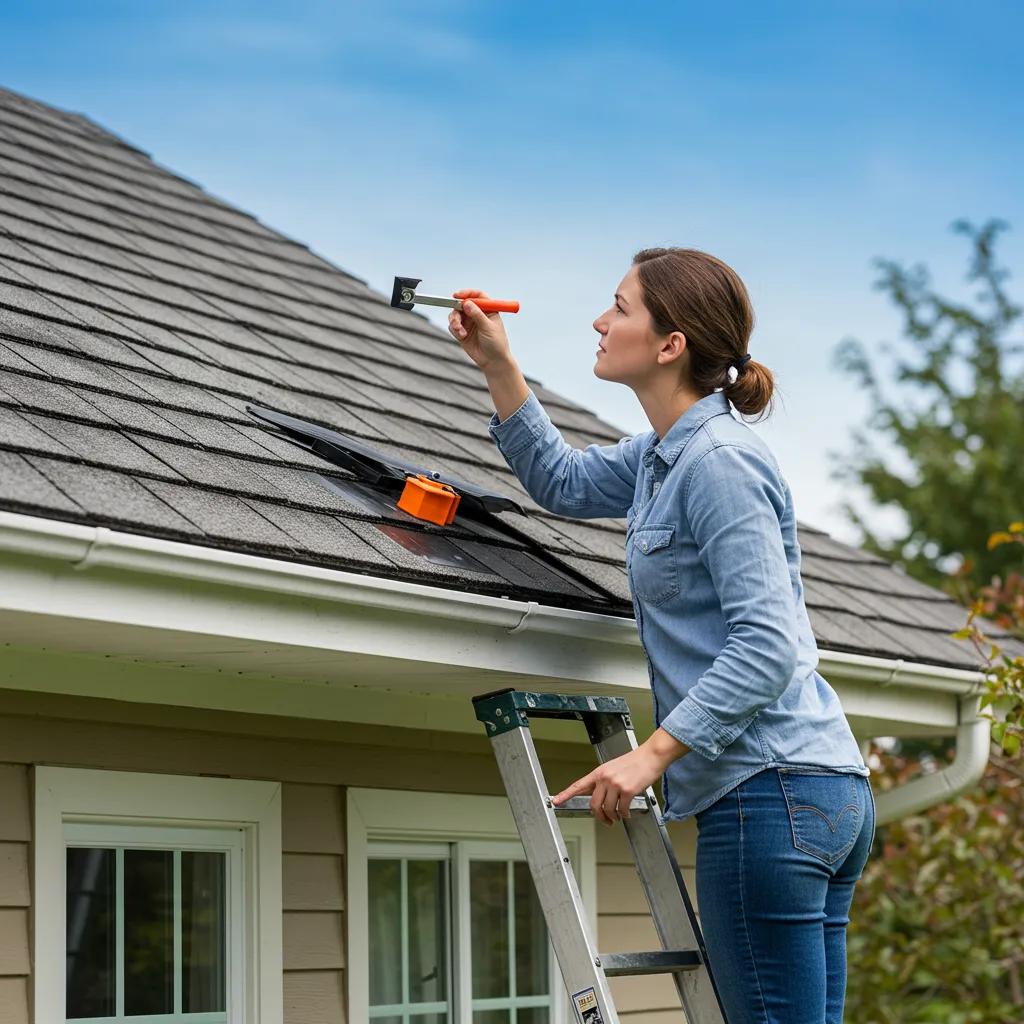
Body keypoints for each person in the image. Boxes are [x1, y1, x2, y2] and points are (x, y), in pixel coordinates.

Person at [448, 247, 877, 1024]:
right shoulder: (662, 457)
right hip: (810, 791)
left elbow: (769, 643)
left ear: (670, 342)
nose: (599, 321)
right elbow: (565, 482)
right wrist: (498, 364)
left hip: (771, 794)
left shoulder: (717, 462)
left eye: (619, 307)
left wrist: (649, 756)